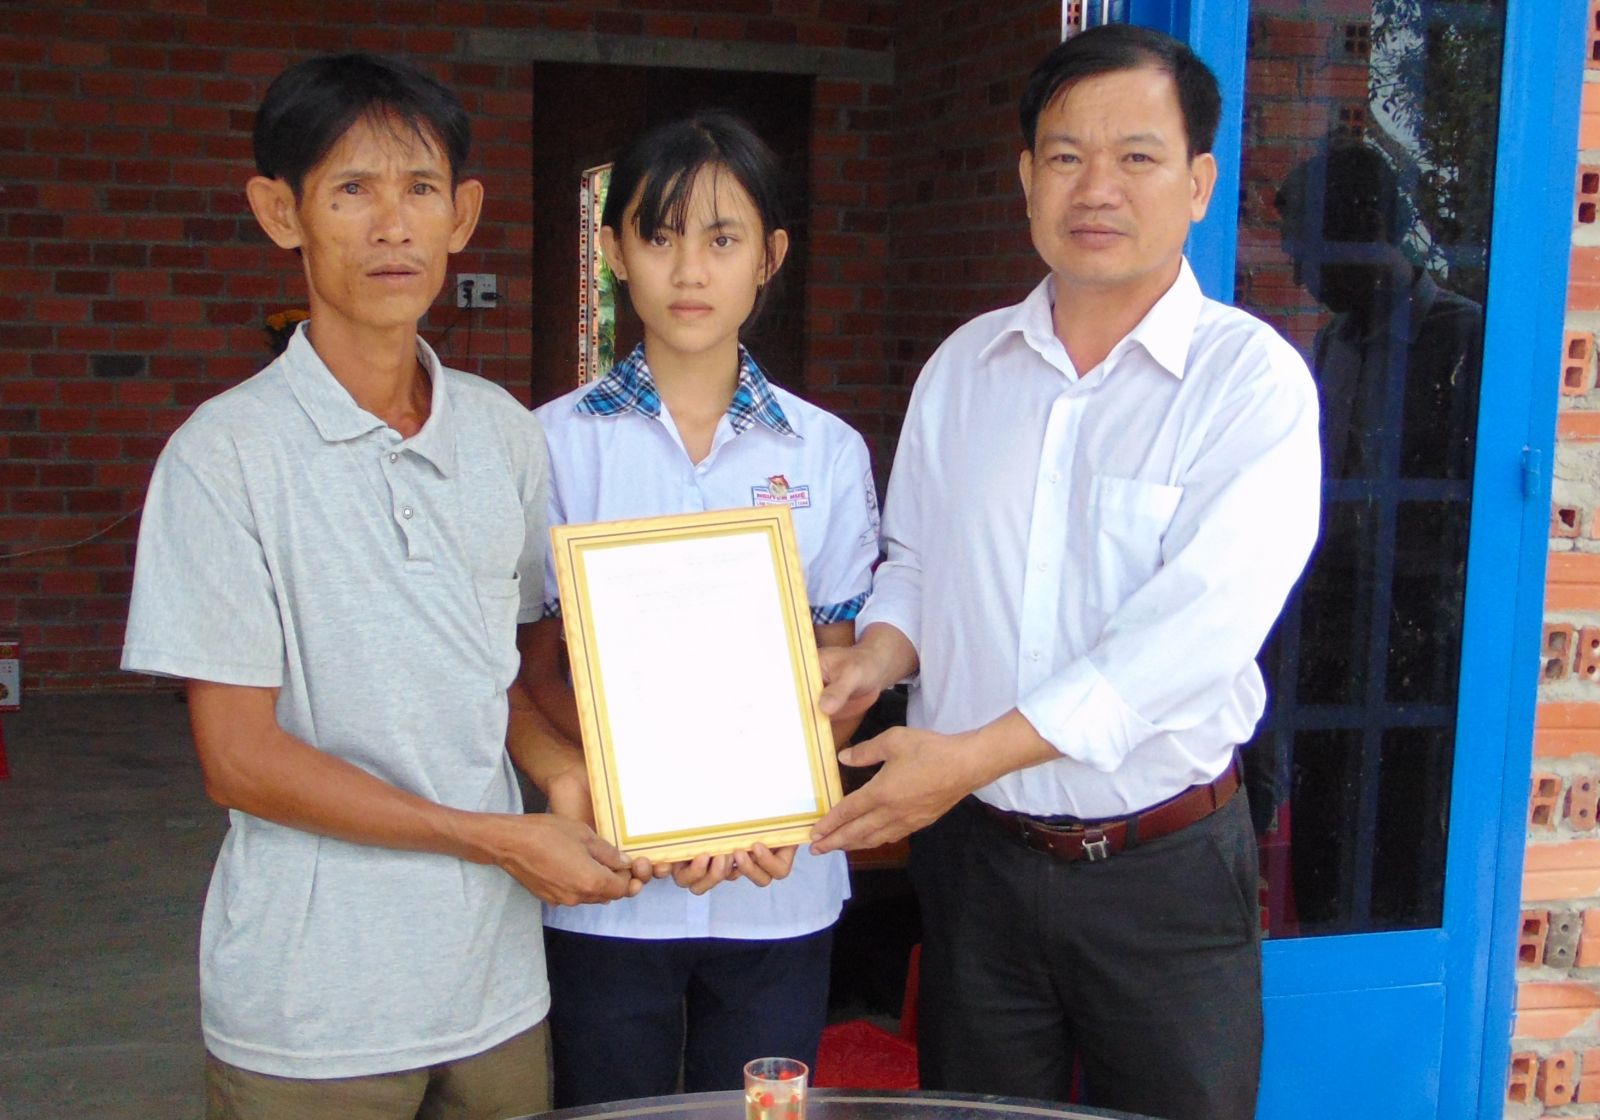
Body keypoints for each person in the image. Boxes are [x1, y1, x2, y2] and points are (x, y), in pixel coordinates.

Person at [121, 53, 648, 1120]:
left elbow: (494, 672)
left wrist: (562, 775)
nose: (392, 226)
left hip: (494, 992)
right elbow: (239, 759)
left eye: (419, 189)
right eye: (351, 189)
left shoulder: (501, 435)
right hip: (312, 1014)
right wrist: (494, 837)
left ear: (463, 214)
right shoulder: (223, 457)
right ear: (281, 212)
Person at [809, 24, 1321, 1120]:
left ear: (1198, 183)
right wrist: (876, 659)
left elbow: (1185, 642)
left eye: (1136, 157)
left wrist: (963, 757)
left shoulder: (1249, 386)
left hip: (1162, 873)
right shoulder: (966, 367)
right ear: (1025, 178)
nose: (1096, 188)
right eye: (1065, 156)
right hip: (980, 865)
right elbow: (918, 560)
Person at [522, 112, 880, 1107]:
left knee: (760, 1108)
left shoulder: (825, 453)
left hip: (778, 879)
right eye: (659, 235)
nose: (690, 270)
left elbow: (841, 666)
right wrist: (640, 802)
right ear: (612, 251)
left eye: (723, 239)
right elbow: (534, 667)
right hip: (611, 879)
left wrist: (773, 800)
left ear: (769, 257)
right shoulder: (548, 446)